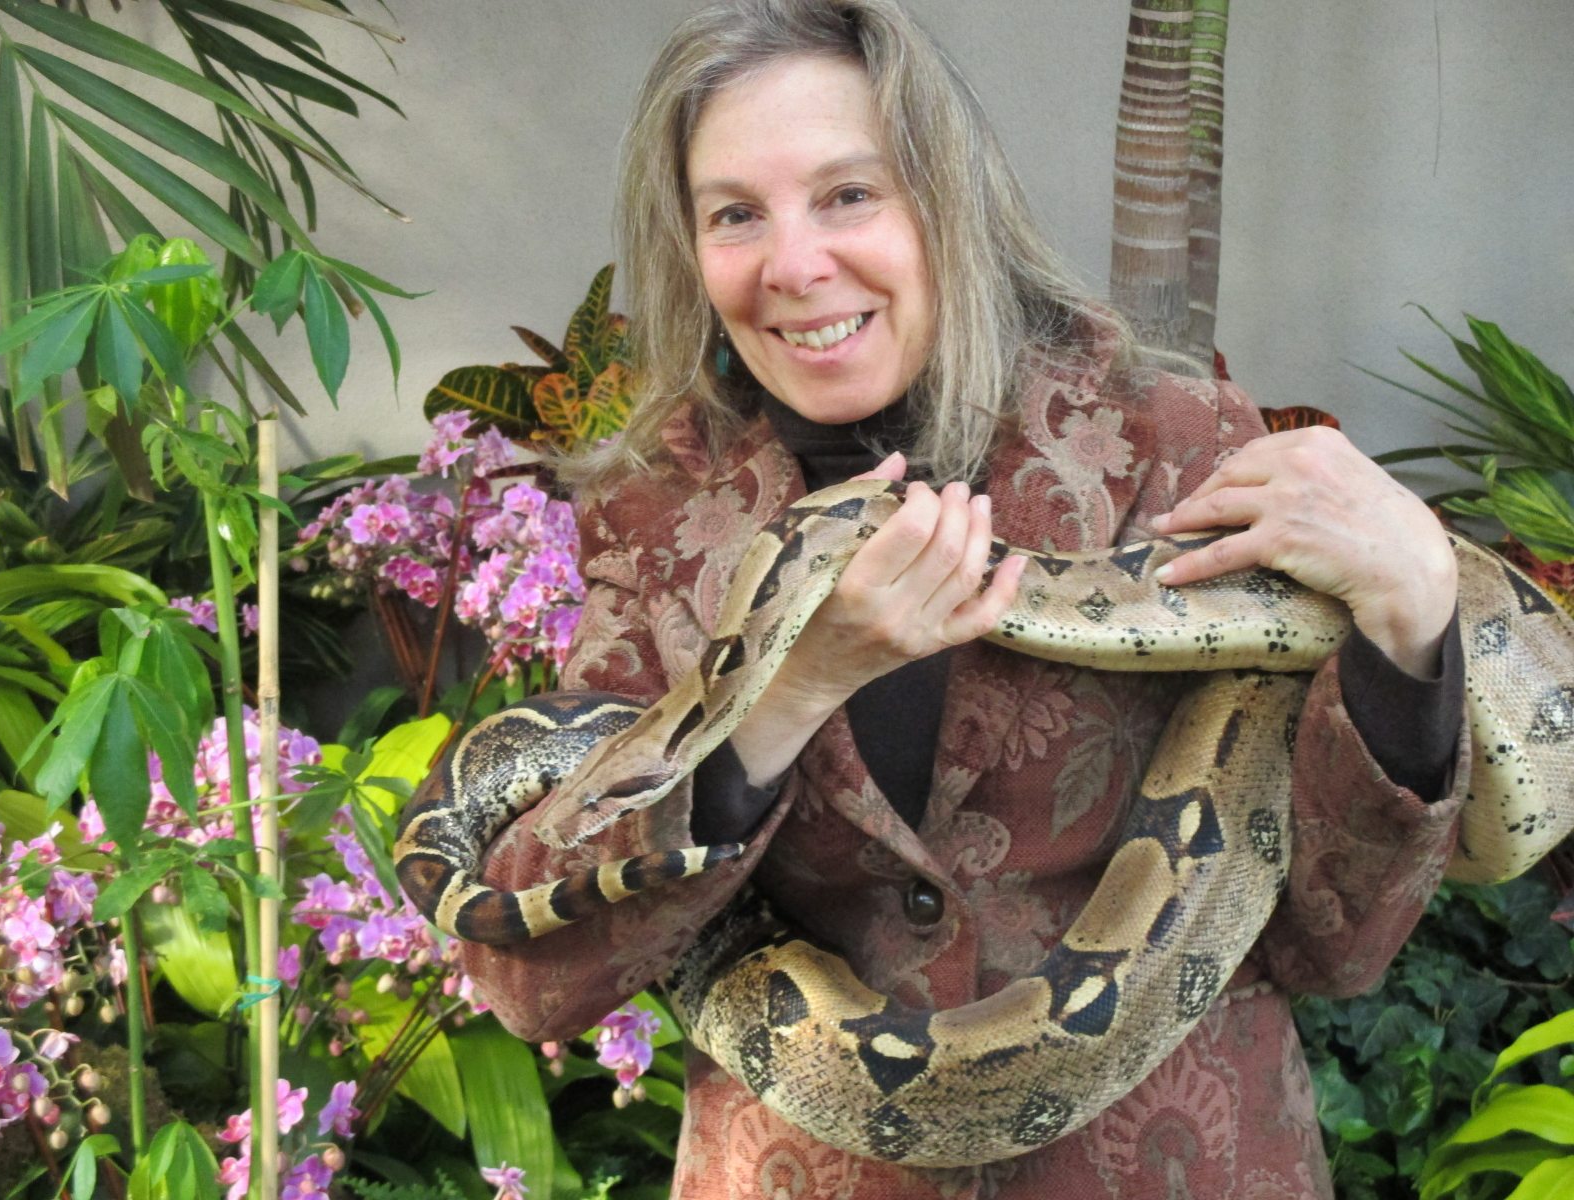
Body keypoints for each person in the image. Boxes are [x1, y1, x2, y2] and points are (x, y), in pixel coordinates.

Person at [461, 2, 1472, 1196]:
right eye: (736, 213)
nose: (794, 265)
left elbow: (1340, 940)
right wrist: (792, 692)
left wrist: (1414, 628)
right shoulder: (658, 514)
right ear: (689, 245)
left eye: (848, 194)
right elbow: (530, 977)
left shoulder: (1171, 439)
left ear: (946, 196)